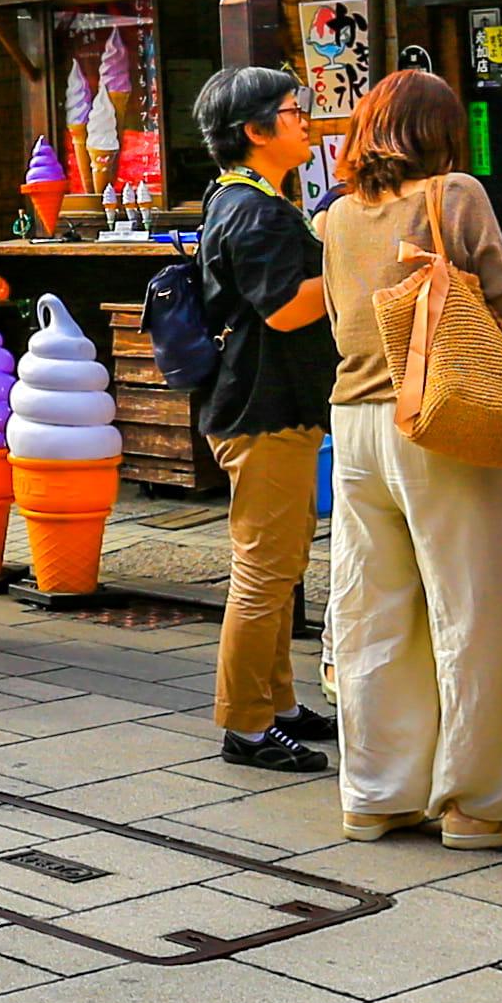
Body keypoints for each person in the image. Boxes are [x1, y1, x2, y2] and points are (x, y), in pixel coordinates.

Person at [313, 68, 502, 847]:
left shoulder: (339, 216)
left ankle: (378, 794)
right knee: (473, 609)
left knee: (372, 611)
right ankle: (485, 803)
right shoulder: (452, 195)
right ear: (438, 132)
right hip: (439, 418)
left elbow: (339, 320)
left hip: (353, 425)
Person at [187, 65, 340, 777]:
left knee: (279, 568)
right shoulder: (253, 210)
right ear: (255, 131)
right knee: (263, 571)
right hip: (263, 409)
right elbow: (286, 308)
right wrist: (351, 263)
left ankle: (277, 704)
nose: (304, 119)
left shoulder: (240, 198)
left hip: (266, 403)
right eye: (292, 109)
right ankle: (246, 725)